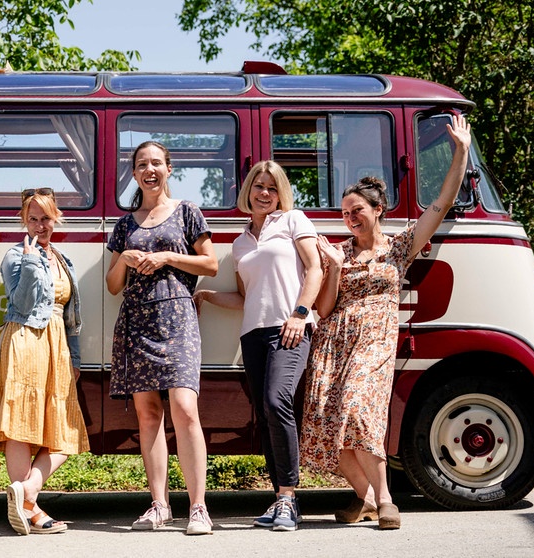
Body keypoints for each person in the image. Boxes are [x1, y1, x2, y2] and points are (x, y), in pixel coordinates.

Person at [301, 114, 472, 530]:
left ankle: (387, 500)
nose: (349, 218)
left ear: (378, 211)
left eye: (356, 210)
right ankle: (368, 501)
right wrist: (336, 268)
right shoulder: (338, 252)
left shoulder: (399, 248)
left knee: (360, 413)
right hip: (333, 343)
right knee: (328, 426)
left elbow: (441, 204)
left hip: (373, 343)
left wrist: (461, 152)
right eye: (344, 213)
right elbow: (323, 309)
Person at [193, 160, 322, 531]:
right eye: (258, 187)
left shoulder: (294, 221)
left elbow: (314, 269)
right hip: (253, 334)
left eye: (272, 188)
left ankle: (288, 498)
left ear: (281, 193)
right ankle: (279, 499)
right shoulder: (239, 241)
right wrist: (207, 295)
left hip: (289, 328)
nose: (264, 194)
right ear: (248, 190)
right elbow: (246, 297)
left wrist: (299, 314)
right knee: (265, 415)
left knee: (276, 401)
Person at [106, 141, 219, 535]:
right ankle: (159, 504)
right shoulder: (125, 224)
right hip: (137, 318)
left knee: (185, 409)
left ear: (169, 168)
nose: (149, 170)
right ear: (134, 173)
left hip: (177, 315)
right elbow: (112, 286)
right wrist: (123, 259)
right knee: (148, 414)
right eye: (141, 165)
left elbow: (212, 264)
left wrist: (168, 257)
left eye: (156, 163)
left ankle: (199, 507)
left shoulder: (187, 211)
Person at [0, 188, 90, 535]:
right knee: (21, 421)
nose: (40, 225)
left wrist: (74, 357)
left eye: (46, 218)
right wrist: (30, 261)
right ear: (23, 221)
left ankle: (25, 492)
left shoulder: (61, 258)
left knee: (63, 428)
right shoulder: (16, 256)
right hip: (25, 338)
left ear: (56, 218)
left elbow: (71, 314)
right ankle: (30, 509)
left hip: (56, 343)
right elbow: (24, 302)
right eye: (33, 218)